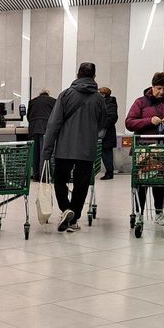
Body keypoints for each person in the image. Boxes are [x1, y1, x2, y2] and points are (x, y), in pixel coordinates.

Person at [41, 62, 106, 232]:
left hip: (64, 148)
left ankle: (66, 209)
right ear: (94, 76)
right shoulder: (99, 98)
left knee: (60, 180)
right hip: (87, 149)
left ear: (77, 74)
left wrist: (46, 151)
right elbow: (102, 124)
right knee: (81, 183)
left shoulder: (66, 95)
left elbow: (54, 124)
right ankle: (74, 217)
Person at [125, 72, 164, 223]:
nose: (161, 92)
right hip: (144, 149)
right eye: (158, 88)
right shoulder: (140, 102)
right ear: (152, 86)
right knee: (141, 181)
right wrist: (148, 121)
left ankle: (159, 211)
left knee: (160, 180)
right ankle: (139, 212)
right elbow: (129, 122)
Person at [27, 89, 56, 180]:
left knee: (35, 153)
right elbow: (56, 116)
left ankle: (36, 176)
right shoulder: (53, 101)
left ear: (40, 94)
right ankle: (44, 176)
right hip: (45, 128)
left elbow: (28, 116)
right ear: (48, 94)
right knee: (44, 153)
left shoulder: (32, 101)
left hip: (33, 128)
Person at [98, 87, 119, 180]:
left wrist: (101, 125)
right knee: (105, 153)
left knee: (106, 153)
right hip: (105, 132)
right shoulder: (106, 103)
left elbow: (112, 117)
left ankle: (109, 172)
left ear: (103, 94)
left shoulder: (109, 103)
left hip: (107, 133)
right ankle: (109, 172)